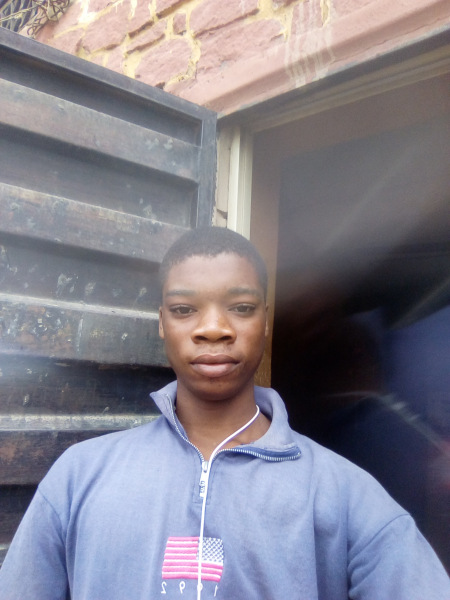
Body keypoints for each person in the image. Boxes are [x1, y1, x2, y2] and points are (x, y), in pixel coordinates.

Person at [0, 226, 449, 600]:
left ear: (265, 321)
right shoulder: (78, 478)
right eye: (184, 309)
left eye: (241, 308)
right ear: (162, 322)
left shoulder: (344, 494)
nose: (213, 328)